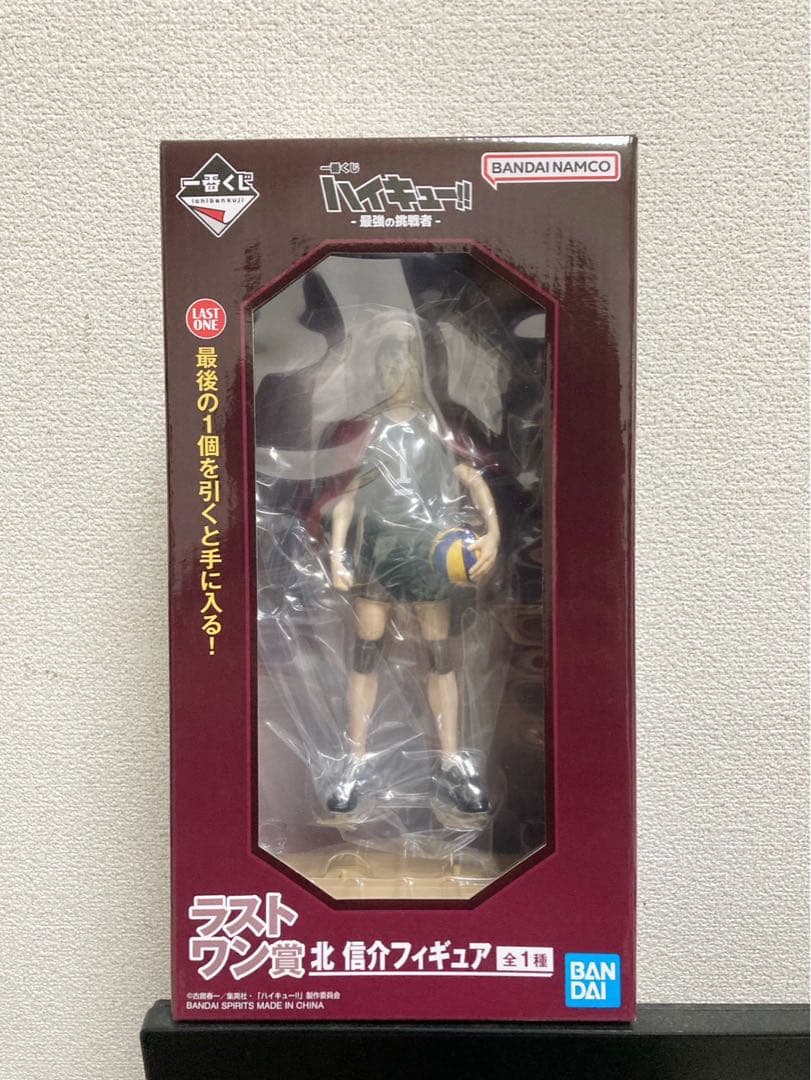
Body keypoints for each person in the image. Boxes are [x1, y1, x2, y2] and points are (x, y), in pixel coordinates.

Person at [325, 314, 499, 815]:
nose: (395, 374)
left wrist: (493, 533)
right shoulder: (365, 428)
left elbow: (473, 479)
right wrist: (337, 556)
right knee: (366, 651)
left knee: (440, 655)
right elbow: (345, 499)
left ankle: (450, 760)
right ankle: (355, 760)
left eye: (403, 363)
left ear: (420, 367)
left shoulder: (440, 424)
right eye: (387, 365)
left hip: (432, 554)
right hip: (377, 554)